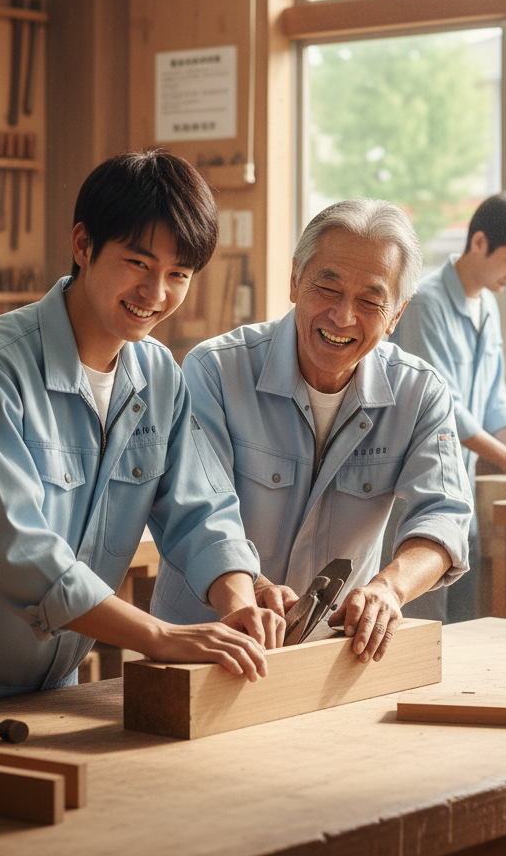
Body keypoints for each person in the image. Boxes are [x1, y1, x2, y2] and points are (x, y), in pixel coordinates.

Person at [0, 151, 282, 720]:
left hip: (56, 693)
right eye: (138, 263)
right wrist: (159, 637)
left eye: (179, 274)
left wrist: (237, 603)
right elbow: (18, 554)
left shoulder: (159, 376)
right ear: (84, 245)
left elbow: (202, 511)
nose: (156, 293)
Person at [152, 198, 473, 664]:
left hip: (329, 660)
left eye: (370, 301)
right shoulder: (215, 370)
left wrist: (389, 589)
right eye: (327, 287)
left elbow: (444, 515)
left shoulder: (420, 392)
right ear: (295, 281)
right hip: (205, 646)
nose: (342, 316)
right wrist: (250, 588)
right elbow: (197, 510)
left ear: (396, 315)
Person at [389, 193, 506, 623]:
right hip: (417, 495)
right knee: (425, 623)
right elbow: (446, 409)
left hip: (461, 495)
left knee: (464, 619)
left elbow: (495, 399)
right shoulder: (425, 304)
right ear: (479, 242)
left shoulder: (487, 308)